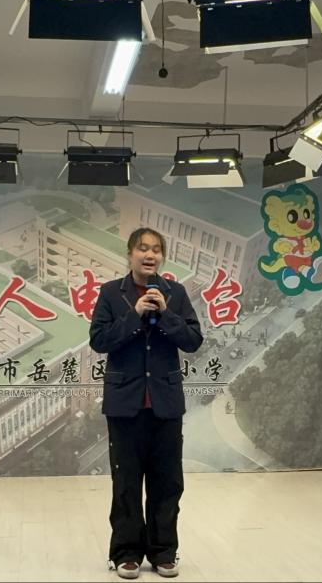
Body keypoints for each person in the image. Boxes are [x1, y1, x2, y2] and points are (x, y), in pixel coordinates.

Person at [89, 227, 204, 579]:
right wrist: (134, 314)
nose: (150, 255)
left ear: (162, 257)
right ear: (129, 254)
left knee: (167, 482)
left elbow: (193, 340)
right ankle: (126, 553)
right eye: (143, 248)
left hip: (165, 403)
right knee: (126, 483)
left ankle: (163, 552)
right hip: (125, 404)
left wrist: (166, 314)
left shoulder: (175, 293)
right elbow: (99, 341)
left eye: (156, 249)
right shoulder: (112, 293)